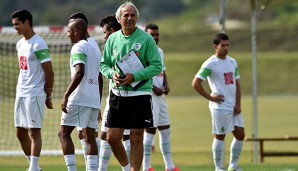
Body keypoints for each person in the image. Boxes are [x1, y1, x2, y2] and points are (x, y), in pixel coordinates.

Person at [100, 2, 162, 171]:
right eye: (125, 15)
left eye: (132, 15)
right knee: (112, 138)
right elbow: (103, 64)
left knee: (136, 137)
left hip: (140, 94)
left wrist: (135, 76)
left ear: (137, 18)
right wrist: (111, 73)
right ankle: (127, 168)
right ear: (119, 19)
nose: (129, 18)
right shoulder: (112, 39)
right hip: (117, 94)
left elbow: (156, 66)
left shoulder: (146, 39)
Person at [191, 33, 245, 171]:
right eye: (223, 45)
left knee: (240, 135)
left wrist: (238, 103)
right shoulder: (211, 63)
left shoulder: (232, 61)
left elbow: (237, 84)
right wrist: (211, 98)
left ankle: (233, 166)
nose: (226, 48)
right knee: (220, 136)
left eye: (228, 45)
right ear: (215, 46)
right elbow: (196, 83)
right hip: (220, 107)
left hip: (233, 106)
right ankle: (219, 168)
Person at [11, 9, 54, 171]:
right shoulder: (19, 44)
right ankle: (35, 167)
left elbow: (49, 72)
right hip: (20, 92)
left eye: (17, 24)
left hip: (35, 93)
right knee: (20, 133)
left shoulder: (39, 43)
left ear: (27, 22)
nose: (15, 28)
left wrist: (48, 95)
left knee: (34, 133)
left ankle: (33, 168)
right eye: (14, 25)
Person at [58, 19, 101, 171]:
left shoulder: (78, 47)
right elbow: (99, 77)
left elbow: (79, 72)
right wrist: (98, 102)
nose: (68, 35)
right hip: (93, 98)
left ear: (76, 31)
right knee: (90, 137)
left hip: (80, 97)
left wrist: (66, 95)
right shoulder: (93, 48)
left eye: (69, 31)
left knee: (63, 133)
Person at [142, 23, 180, 171]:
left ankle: (169, 166)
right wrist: (153, 87)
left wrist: (166, 84)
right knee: (150, 130)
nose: (155, 37)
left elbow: (162, 71)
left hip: (160, 96)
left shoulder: (160, 51)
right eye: (152, 35)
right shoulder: (142, 52)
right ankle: (146, 167)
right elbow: (140, 75)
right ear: (146, 35)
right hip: (148, 95)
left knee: (165, 128)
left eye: (157, 35)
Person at [98, 14, 131, 171]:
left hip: (130, 97)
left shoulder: (128, 44)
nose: (104, 36)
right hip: (113, 95)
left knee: (127, 136)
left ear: (111, 31)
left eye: (105, 32)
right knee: (106, 135)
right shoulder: (110, 46)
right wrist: (112, 73)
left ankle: (130, 168)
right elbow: (104, 66)